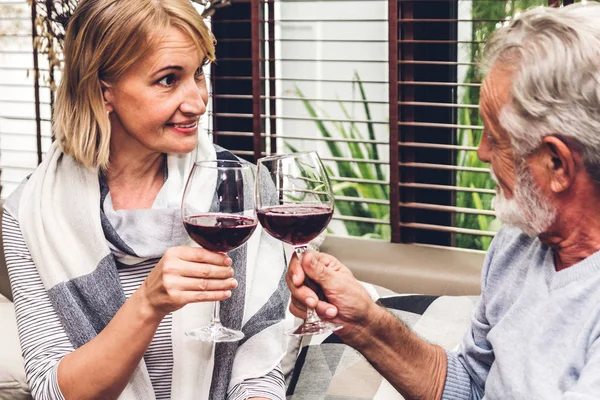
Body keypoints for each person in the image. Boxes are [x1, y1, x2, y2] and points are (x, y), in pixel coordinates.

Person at [287, 2, 600, 399]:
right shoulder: (519, 242)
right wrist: (363, 322)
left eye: (496, 139)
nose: (482, 152)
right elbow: (469, 385)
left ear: (557, 164)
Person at [3, 0, 291, 399]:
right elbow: (54, 391)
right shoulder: (31, 213)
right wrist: (148, 304)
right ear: (103, 91)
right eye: (168, 80)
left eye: (199, 73)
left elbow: (260, 374)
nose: (198, 102)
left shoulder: (239, 189)